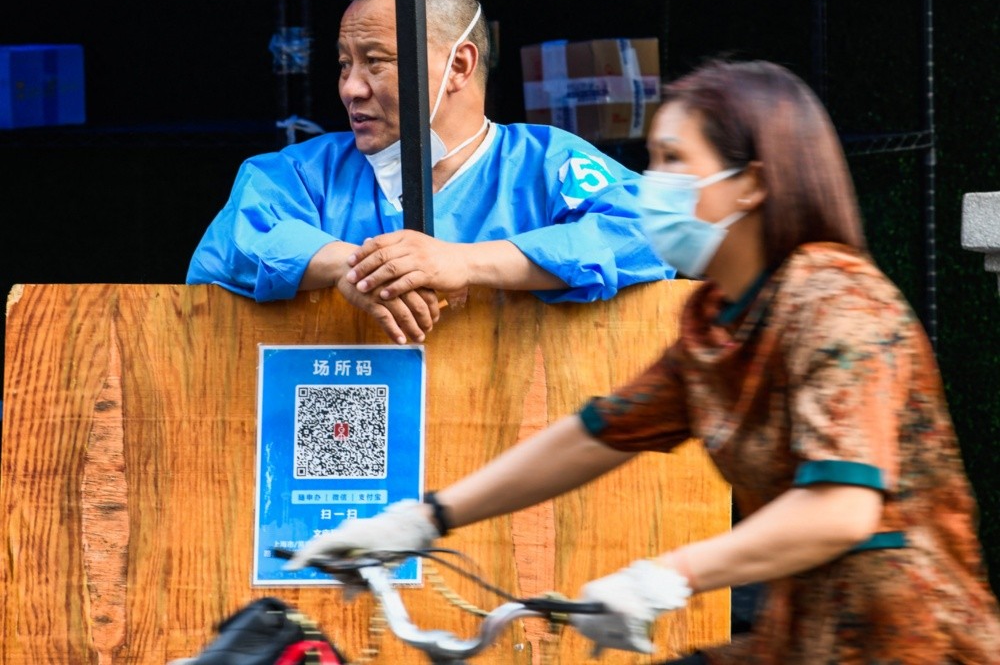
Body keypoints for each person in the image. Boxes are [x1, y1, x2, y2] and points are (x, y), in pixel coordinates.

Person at [288, 59, 1000, 664]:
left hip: (914, 637)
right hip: (804, 637)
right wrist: (421, 520)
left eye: (673, 162)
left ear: (751, 183)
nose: (648, 184)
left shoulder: (835, 299)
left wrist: (667, 576)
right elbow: (601, 431)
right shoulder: (716, 318)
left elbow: (841, 510)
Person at [187, 0, 669, 343]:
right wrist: (353, 267)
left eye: (375, 62)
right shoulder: (304, 171)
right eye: (343, 64)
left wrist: (464, 263)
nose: (351, 88)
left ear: (459, 65)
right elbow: (230, 246)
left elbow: (653, 233)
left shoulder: (545, 162)